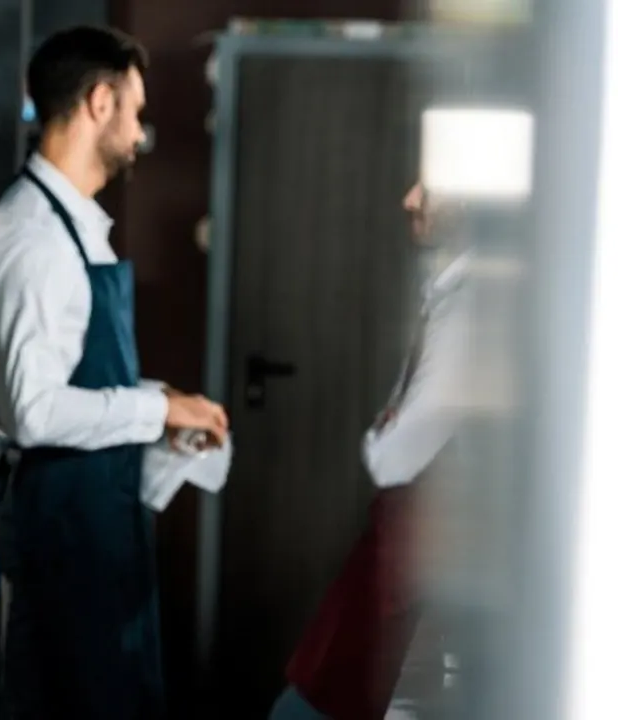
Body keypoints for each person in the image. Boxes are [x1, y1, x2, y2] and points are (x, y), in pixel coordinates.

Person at [0, 25, 229, 720]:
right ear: (99, 101)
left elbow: (72, 383)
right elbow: (35, 412)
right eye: (136, 111)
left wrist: (166, 402)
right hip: (63, 535)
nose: (140, 132)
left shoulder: (73, 222)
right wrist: (157, 412)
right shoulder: (33, 237)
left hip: (97, 523)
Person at [268, 181, 473, 720]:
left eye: (428, 185)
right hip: (399, 546)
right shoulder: (446, 292)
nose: (408, 198)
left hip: (420, 557)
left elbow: (393, 455)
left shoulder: (471, 307)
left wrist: (387, 432)